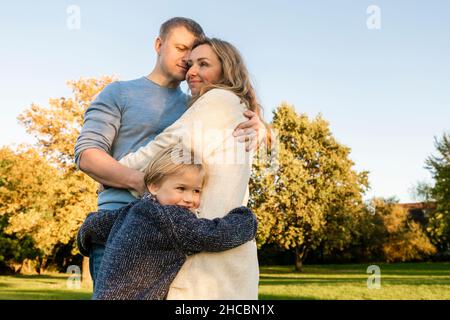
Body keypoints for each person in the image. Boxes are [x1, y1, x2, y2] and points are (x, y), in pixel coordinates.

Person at [74, 17, 265, 287]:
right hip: (118, 218)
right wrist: (140, 182)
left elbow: (227, 116)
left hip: (173, 227)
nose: (187, 59)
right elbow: (87, 155)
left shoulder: (196, 102)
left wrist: (258, 126)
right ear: (158, 44)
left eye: (195, 54)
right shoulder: (120, 92)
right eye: (180, 48)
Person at [117, 37, 268, 299]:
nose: (192, 72)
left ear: (226, 69)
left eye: (203, 64)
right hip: (229, 253)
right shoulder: (240, 109)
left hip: (205, 256)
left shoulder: (219, 100)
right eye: (190, 65)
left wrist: (115, 171)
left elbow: (166, 149)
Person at [77, 145, 257, 300]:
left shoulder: (134, 209)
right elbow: (214, 235)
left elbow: (94, 224)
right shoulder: (173, 219)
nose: (189, 199)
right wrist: (246, 219)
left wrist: (84, 243)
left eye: (196, 191)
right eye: (181, 188)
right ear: (154, 186)